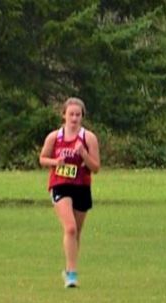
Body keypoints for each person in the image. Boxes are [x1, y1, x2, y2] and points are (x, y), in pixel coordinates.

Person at [39, 97, 101, 288]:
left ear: (82, 116)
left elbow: (96, 167)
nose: (74, 118)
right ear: (64, 115)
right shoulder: (54, 137)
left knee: (76, 232)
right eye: (71, 114)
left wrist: (83, 154)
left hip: (81, 185)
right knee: (70, 228)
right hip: (60, 184)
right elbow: (42, 159)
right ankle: (72, 275)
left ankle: (69, 268)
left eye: (78, 115)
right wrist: (55, 162)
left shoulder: (88, 138)